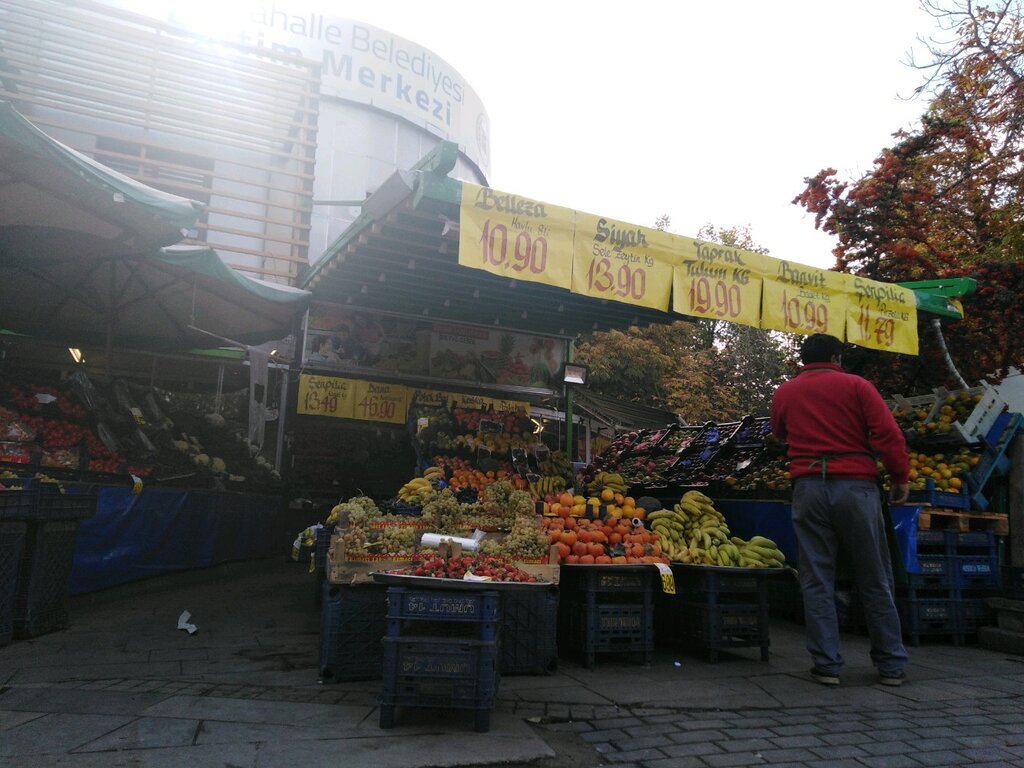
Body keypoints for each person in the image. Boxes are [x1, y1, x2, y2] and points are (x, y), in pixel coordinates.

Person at [770, 333, 910, 688]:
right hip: (857, 488)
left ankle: (827, 665)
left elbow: (778, 433)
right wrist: (899, 476)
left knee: (816, 578)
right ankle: (891, 665)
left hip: (808, 489)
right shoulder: (858, 386)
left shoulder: (785, 392)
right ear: (836, 357)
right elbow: (887, 434)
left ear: (803, 360)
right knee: (875, 576)